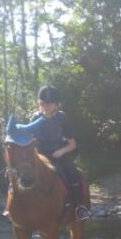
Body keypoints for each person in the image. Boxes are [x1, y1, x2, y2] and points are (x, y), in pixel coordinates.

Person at [16, 85, 90, 220]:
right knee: (21, 171)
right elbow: (29, 138)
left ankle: (79, 206)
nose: (45, 107)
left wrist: (62, 151)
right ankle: (15, 206)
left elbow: (72, 144)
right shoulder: (35, 117)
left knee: (73, 173)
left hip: (59, 154)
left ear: (56, 104)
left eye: (49, 104)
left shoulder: (63, 118)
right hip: (40, 155)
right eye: (42, 104)